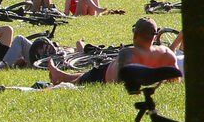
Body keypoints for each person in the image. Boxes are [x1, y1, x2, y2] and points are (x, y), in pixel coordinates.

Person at [49, 17, 182, 88]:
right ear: (154, 37)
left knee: (79, 81)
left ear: (135, 35)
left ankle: (59, 77)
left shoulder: (129, 53)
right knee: (85, 74)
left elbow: (121, 82)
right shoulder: (166, 53)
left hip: (100, 77)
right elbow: (175, 80)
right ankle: (62, 75)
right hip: (103, 71)